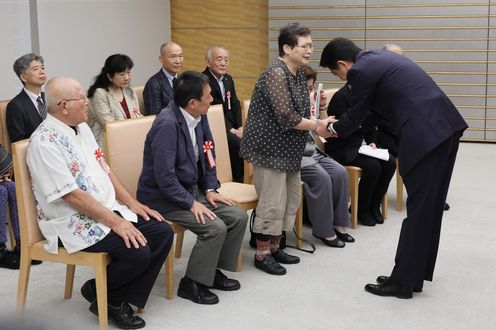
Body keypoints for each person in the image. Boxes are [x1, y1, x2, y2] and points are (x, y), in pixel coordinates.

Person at [320, 38, 468, 298]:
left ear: (343, 64)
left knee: (420, 210)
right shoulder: (380, 60)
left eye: (336, 72)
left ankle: (401, 284)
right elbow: (375, 114)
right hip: (443, 129)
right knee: (429, 209)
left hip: (426, 137)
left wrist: (331, 129)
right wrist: (347, 127)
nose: (343, 78)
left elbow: (355, 115)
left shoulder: (361, 71)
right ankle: (411, 276)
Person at [27, 76, 173, 329]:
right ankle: (113, 301)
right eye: (82, 97)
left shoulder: (81, 127)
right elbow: (71, 195)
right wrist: (117, 222)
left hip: (105, 210)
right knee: (137, 250)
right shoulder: (44, 142)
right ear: (63, 105)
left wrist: (133, 204)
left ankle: (104, 292)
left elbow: (105, 169)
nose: (87, 102)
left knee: (161, 231)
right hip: (71, 220)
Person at [137, 71, 247, 305]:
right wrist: (191, 203)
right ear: (192, 102)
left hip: (193, 189)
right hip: (162, 198)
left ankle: (210, 271)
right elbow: (164, 178)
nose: (212, 99)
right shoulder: (166, 124)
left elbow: (208, 152)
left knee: (237, 216)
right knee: (214, 227)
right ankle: (192, 284)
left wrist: (209, 189)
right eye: (208, 96)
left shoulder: (199, 115)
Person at [240, 23, 331, 275]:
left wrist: (321, 115)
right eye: (305, 46)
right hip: (269, 149)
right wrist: (317, 125)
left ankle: (276, 246)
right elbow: (286, 116)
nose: (310, 51)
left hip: (291, 149)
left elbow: (302, 111)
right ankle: (261, 254)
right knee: (272, 203)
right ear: (287, 47)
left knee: (291, 199)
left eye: (311, 46)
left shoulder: (299, 73)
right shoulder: (275, 73)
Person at [325, 82, 397, 226]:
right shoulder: (341, 97)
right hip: (342, 148)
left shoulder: (364, 96)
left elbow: (371, 124)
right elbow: (342, 129)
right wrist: (363, 127)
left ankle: (374, 205)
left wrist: (372, 142)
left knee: (390, 162)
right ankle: (361, 209)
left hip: (359, 145)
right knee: (373, 167)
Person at [299, 65, 353, 247]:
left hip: (312, 151)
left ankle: (338, 224)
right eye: (305, 88)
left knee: (339, 172)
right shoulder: (287, 104)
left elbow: (324, 133)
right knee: (322, 178)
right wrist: (317, 122)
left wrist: (321, 108)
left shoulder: (308, 103)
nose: (309, 92)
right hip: (294, 155)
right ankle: (323, 230)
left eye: (311, 88)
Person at [202, 46, 244, 182]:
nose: (223, 63)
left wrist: (240, 126)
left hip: (231, 125)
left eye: (226, 60)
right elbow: (210, 110)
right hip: (215, 126)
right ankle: (238, 180)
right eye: (219, 59)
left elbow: (236, 104)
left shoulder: (228, 79)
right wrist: (231, 130)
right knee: (238, 143)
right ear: (208, 62)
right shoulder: (203, 80)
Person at [87, 54, 141, 151]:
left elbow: (137, 115)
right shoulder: (100, 93)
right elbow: (109, 125)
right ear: (109, 76)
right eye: (122, 74)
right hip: (108, 144)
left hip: (131, 139)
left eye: (128, 73)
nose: (127, 78)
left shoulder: (129, 90)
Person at [6, 53, 47, 143]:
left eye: (42, 68)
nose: (42, 72)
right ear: (23, 77)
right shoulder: (15, 106)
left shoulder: (49, 98)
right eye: (36, 69)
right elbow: (18, 142)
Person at [143, 41, 184, 115]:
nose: (178, 61)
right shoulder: (153, 84)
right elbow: (155, 116)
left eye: (180, 56)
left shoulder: (184, 80)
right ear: (161, 59)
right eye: (173, 57)